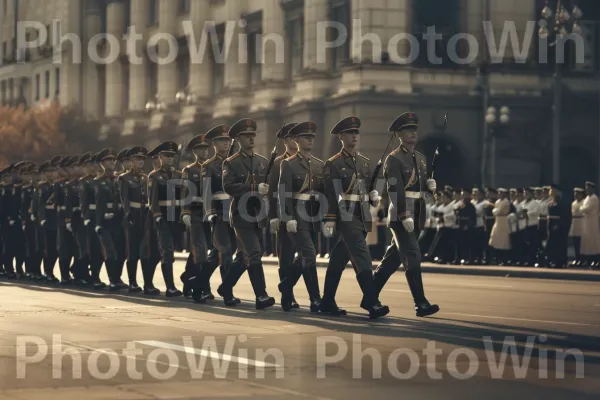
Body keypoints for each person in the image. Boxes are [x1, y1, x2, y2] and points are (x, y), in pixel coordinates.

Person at [371, 112, 439, 317]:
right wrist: (403, 213)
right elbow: (395, 190)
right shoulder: (393, 159)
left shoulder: (420, 158)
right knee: (413, 255)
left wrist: (430, 187)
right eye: (408, 130)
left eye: (415, 129)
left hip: (418, 212)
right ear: (399, 134)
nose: (413, 133)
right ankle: (421, 303)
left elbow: (421, 189)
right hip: (403, 214)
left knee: (392, 260)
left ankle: (369, 295)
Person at [320, 116, 389, 319]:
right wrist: (330, 217)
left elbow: (366, 188)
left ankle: (327, 300)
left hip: (362, 214)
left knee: (339, 259)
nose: (355, 136)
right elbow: (330, 193)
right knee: (362, 255)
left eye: (357, 132)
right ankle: (371, 301)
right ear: (341, 137)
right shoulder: (333, 163)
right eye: (350, 133)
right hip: (345, 214)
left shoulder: (364, 163)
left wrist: (373, 195)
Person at [220, 118, 275, 309]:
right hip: (241, 215)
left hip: (258, 214)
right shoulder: (231, 162)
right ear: (238, 139)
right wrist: (253, 187)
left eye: (253, 135)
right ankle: (261, 296)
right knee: (255, 253)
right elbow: (228, 187)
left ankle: (225, 287)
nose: (251, 139)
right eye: (246, 136)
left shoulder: (263, 161)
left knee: (244, 256)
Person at [277, 121, 323, 311]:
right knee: (309, 255)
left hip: (313, 216)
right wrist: (288, 218)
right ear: (296, 140)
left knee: (307, 255)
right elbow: (283, 193)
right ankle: (315, 299)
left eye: (312, 137)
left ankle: (286, 285)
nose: (310, 140)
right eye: (306, 137)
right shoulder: (288, 164)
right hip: (298, 215)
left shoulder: (319, 164)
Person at [201, 125, 243, 306]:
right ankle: (228, 292)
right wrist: (210, 213)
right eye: (221, 141)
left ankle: (198, 283)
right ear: (214, 144)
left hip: (234, 212)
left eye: (227, 141)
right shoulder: (208, 166)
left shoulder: (234, 162)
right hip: (218, 212)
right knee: (225, 251)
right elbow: (207, 192)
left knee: (222, 253)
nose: (225, 144)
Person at [180, 134, 219, 301]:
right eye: (200, 149)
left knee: (206, 250)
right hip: (196, 214)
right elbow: (185, 194)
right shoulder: (189, 170)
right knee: (201, 251)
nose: (204, 152)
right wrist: (185, 212)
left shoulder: (214, 167)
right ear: (195, 152)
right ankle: (204, 287)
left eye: (205, 148)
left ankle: (188, 277)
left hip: (211, 215)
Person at [268, 122, 302, 309]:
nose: (294, 141)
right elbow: (273, 191)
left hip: (303, 215)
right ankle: (288, 296)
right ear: (285, 141)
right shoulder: (278, 163)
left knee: (306, 254)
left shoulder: (305, 161)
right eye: (291, 137)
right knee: (286, 256)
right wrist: (273, 216)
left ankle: (286, 285)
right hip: (283, 215)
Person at [148, 141, 184, 297]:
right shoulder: (154, 176)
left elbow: (183, 197)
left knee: (162, 253)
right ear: (160, 157)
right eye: (167, 156)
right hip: (163, 217)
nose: (170, 159)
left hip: (176, 217)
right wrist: (156, 216)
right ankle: (170, 287)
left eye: (172, 156)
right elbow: (153, 200)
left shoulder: (179, 175)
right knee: (167, 252)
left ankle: (148, 282)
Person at [119, 146, 150, 292]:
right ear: (131, 160)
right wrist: (128, 215)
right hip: (132, 217)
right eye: (138, 159)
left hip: (144, 216)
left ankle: (147, 283)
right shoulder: (124, 178)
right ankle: (132, 282)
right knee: (132, 252)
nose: (141, 162)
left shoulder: (145, 177)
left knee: (144, 251)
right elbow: (124, 199)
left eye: (142, 159)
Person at [80, 152, 106, 289]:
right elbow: (83, 202)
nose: (94, 167)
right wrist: (86, 218)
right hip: (91, 218)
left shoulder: (102, 179)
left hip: (102, 217)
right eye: (91, 164)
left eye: (96, 164)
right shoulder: (86, 181)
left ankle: (92, 274)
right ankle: (92, 276)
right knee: (93, 249)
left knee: (102, 250)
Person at [546, 184, 570, 268]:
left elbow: (564, 216)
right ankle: (552, 260)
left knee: (560, 244)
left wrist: (558, 225)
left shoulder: (562, 203)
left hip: (559, 226)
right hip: (551, 226)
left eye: (552, 190)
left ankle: (561, 261)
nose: (551, 191)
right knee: (552, 244)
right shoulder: (550, 203)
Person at [580, 181, 600, 267]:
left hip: (592, 222)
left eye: (588, 188)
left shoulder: (594, 198)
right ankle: (588, 259)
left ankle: (595, 260)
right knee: (587, 241)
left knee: (593, 242)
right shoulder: (587, 198)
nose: (587, 190)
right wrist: (582, 208)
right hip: (586, 222)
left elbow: (587, 209)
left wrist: (581, 208)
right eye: (586, 188)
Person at [489, 188, 511, 265]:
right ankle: (498, 258)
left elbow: (498, 211)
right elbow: (495, 211)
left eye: (501, 193)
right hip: (498, 221)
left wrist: (495, 211)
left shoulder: (506, 202)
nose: (499, 195)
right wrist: (495, 211)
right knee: (496, 239)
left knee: (503, 241)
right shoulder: (497, 202)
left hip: (503, 221)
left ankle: (504, 259)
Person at [569, 187, 585, 266]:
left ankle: (582, 259)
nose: (576, 195)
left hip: (581, 223)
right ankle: (577, 258)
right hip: (575, 223)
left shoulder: (584, 202)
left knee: (581, 243)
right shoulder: (573, 203)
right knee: (575, 242)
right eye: (575, 193)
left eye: (578, 193)